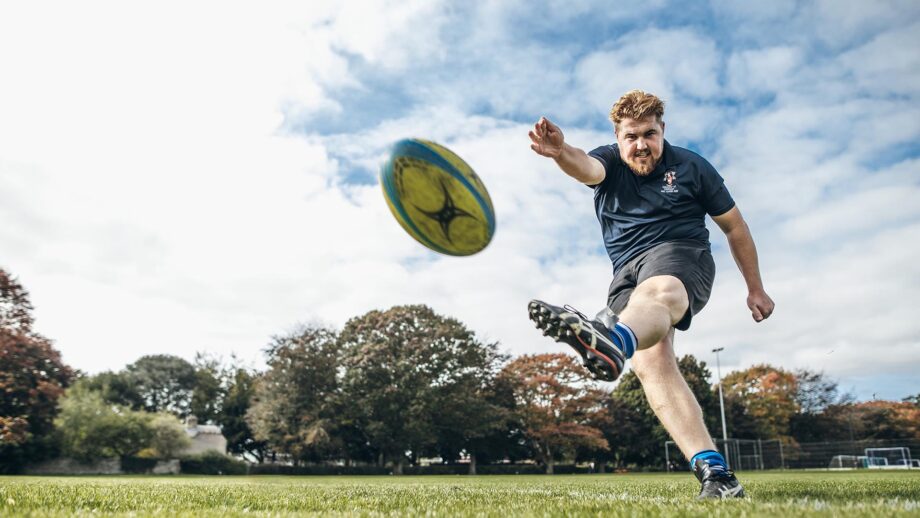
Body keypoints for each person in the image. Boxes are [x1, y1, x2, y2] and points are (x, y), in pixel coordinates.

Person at [527, 90, 774, 499]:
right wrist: (559, 152)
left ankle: (613, 339)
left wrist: (756, 288)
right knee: (652, 362)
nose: (641, 144)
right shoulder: (607, 160)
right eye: (631, 136)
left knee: (662, 291)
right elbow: (584, 167)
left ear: (663, 131)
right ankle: (717, 474)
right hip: (626, 272)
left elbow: (735, 227)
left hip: (681, 253)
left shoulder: (693, 167)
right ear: (618, 137)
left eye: (650, 134)